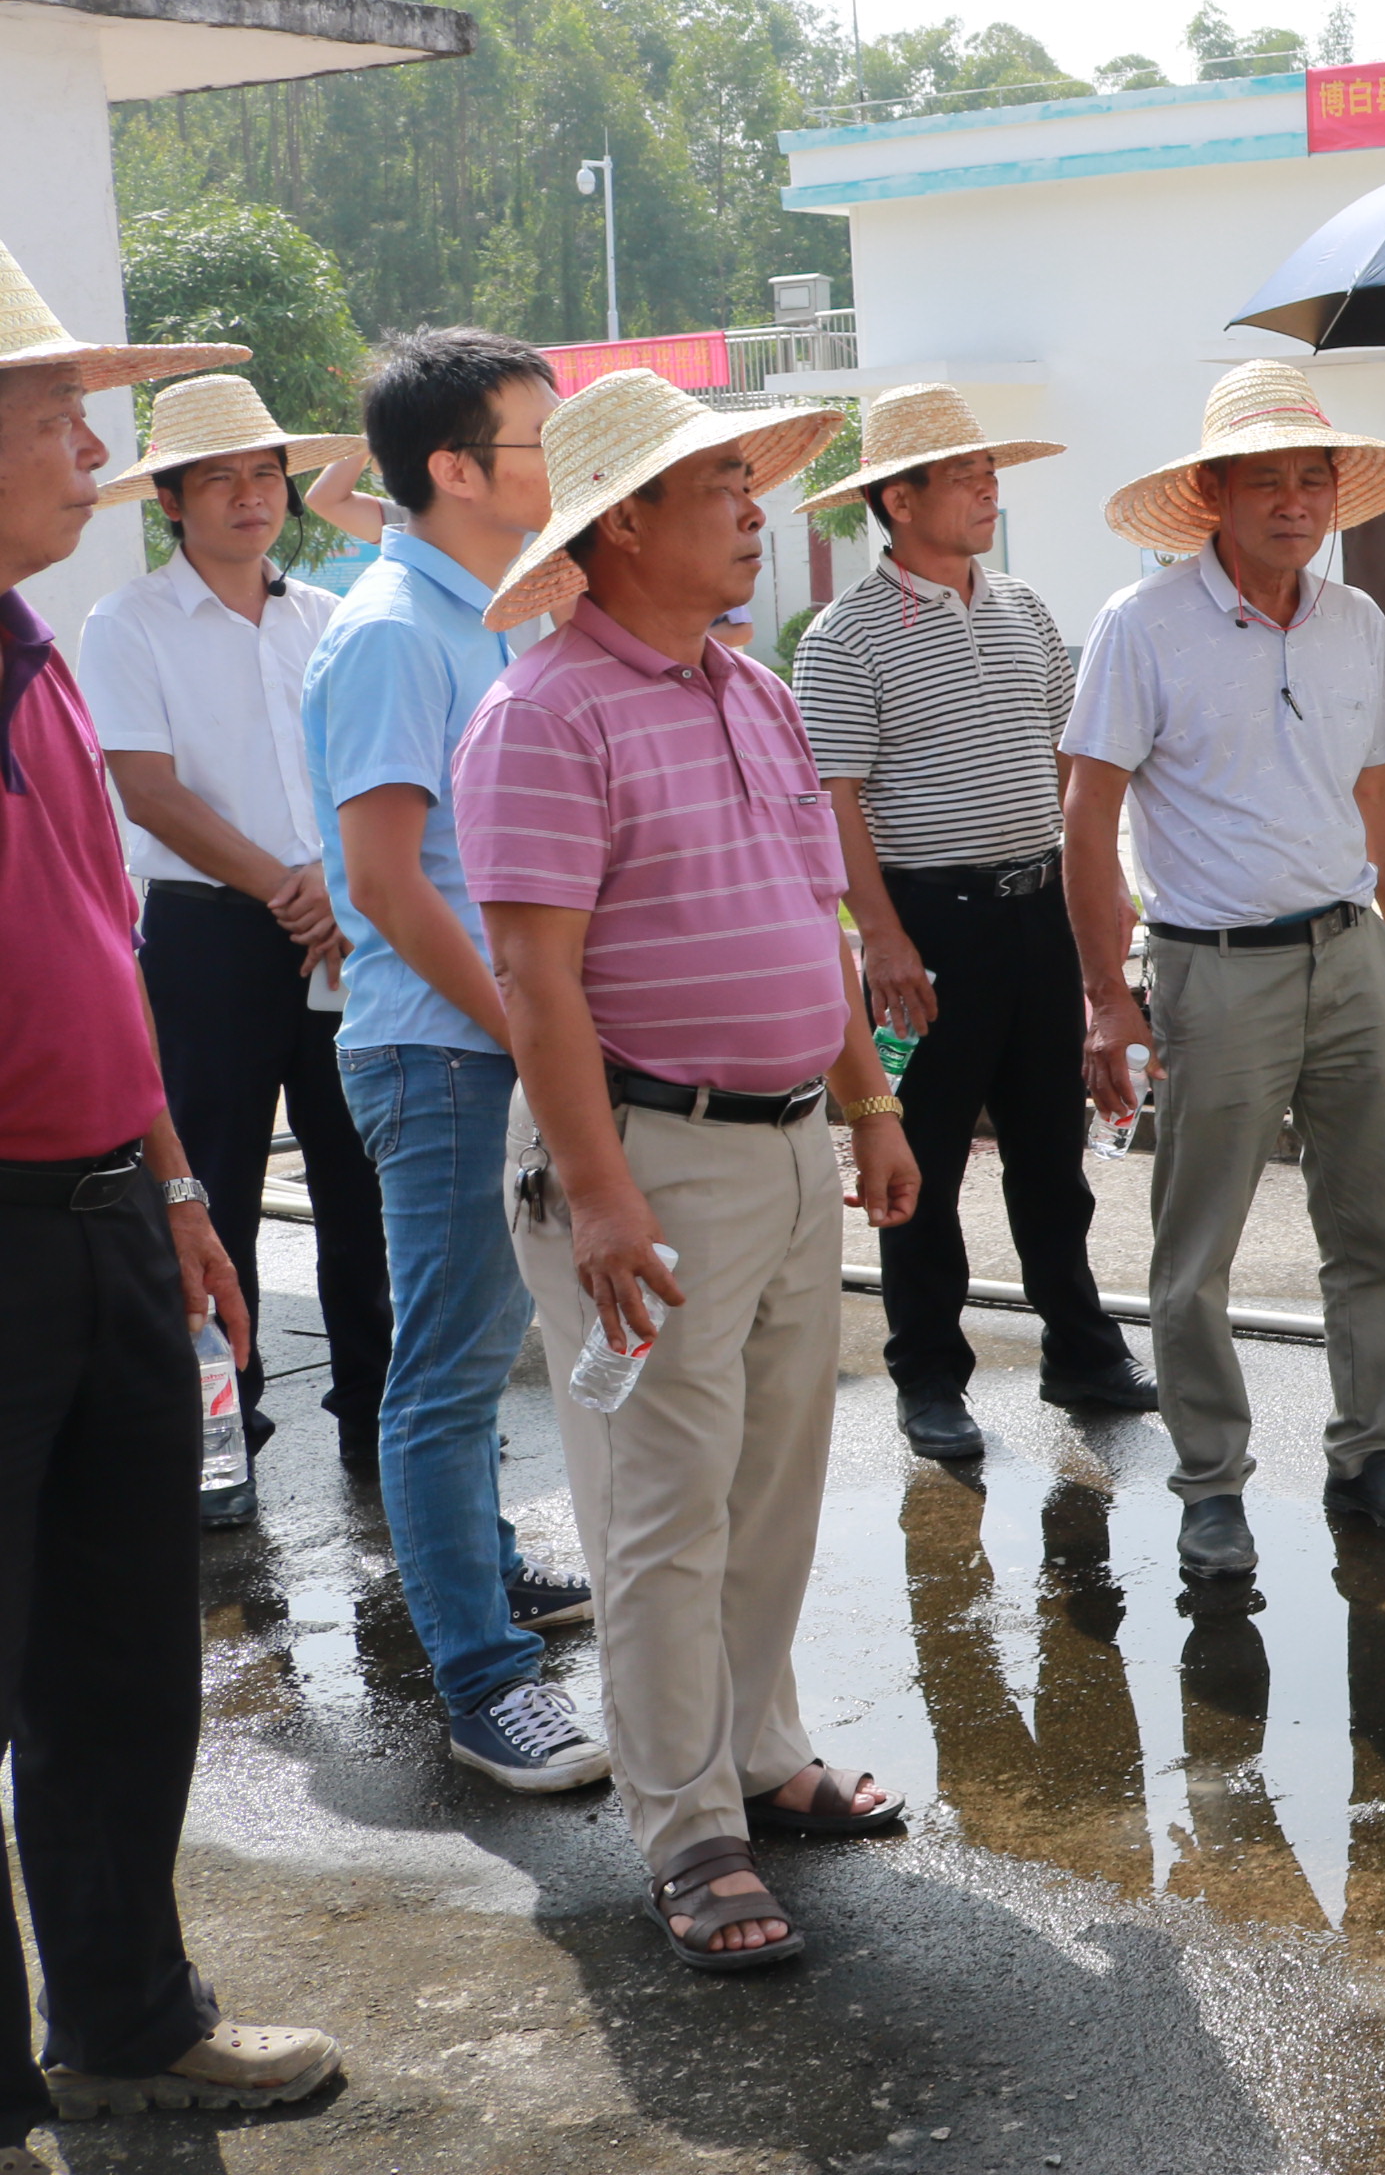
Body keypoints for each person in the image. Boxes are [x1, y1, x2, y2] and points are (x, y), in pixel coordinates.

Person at [461, 370, 921, 1970]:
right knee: (661, 1505)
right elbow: (535, 980)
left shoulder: (758, 688)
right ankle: (691, 1831)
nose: (749, 506)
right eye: (713, 482)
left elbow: (823, 923)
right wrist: (598, 1194)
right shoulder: (541, 713)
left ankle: (761, 1747)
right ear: (622, 523)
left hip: (791, 1145)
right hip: (650, 1159)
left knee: (775, 1481)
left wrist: (869, 1102)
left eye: (746, 475)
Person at [0, 252, 345, 2128]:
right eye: (54, 415)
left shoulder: (32, 657)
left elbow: (81, 944)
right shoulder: (90, 647)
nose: (91, 447)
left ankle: (126, 2017)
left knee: (124, 1661)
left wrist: (180, 1185)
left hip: (108, 1211)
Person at [1064, 363, 1385, 1571]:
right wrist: (1107, 998)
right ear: (1212, 495)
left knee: (1374, 1229)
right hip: (1214, 968)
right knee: (1198, 1249)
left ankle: (1371, 1452)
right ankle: (1210, 1482)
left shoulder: (1354, 623)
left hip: (1350, 955)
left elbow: (1377, 795)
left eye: (1312, 478)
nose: (1294, 502)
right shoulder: (1142, 628)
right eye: (1265, 480)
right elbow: (1087, 817)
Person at [305, 326, 609, 1793]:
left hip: (495, 1036)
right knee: (445, 1371)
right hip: (442, 1054)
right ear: (451, 467)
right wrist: (528, 1031)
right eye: (539, 439)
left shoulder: (497, 610)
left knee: (485, 1355)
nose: (560, 466)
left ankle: (485, 1566)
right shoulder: (386, 631)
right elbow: (385, 879)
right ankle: (485, 1682)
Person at [785, 385, 1157, 1460]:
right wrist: (885, 936)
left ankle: (1081, 1347)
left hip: (1034, 911)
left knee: (1052, 1153)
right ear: (897, 500)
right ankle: (929, 1377)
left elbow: (1066, 767)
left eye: (989, 470)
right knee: (922, 1162)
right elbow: (834, 799)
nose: (989, 487)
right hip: (929, 930)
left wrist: (1095, 927)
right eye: (963, 474)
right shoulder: (843, 635)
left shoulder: (1026, 611)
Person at [82, 374, 387, 1485]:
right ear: (171, 498)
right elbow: (149, 791)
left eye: (266, 474)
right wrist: (286, 887)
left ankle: (380, 1421)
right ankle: (224, 1438)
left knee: (364, 1183)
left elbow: (369, 769)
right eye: (221, 478)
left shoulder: (329, 618)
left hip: (342, 932)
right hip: (210, 937)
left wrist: (334, 895)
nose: (251, 496)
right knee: (212, 1188)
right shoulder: (129, 622)